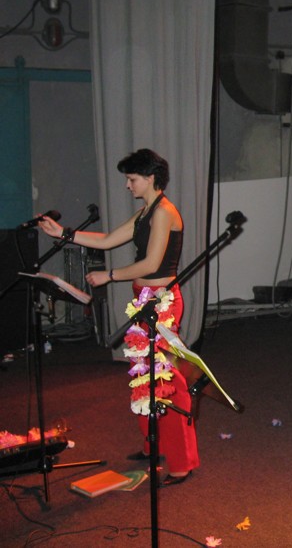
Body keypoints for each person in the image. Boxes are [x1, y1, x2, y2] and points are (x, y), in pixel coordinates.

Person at [38, 148, 198, 487]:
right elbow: (109, 239)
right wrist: (63, 233)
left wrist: (110, 275)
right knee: (144, 375)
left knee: (166, 379)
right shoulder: (146, 212)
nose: (127, 185)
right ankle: (153, 444)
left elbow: (152, 263)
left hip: (162, 302)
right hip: (143, 299)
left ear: (150, 178)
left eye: (132, 179)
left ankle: (182, 462)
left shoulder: (164, 213)